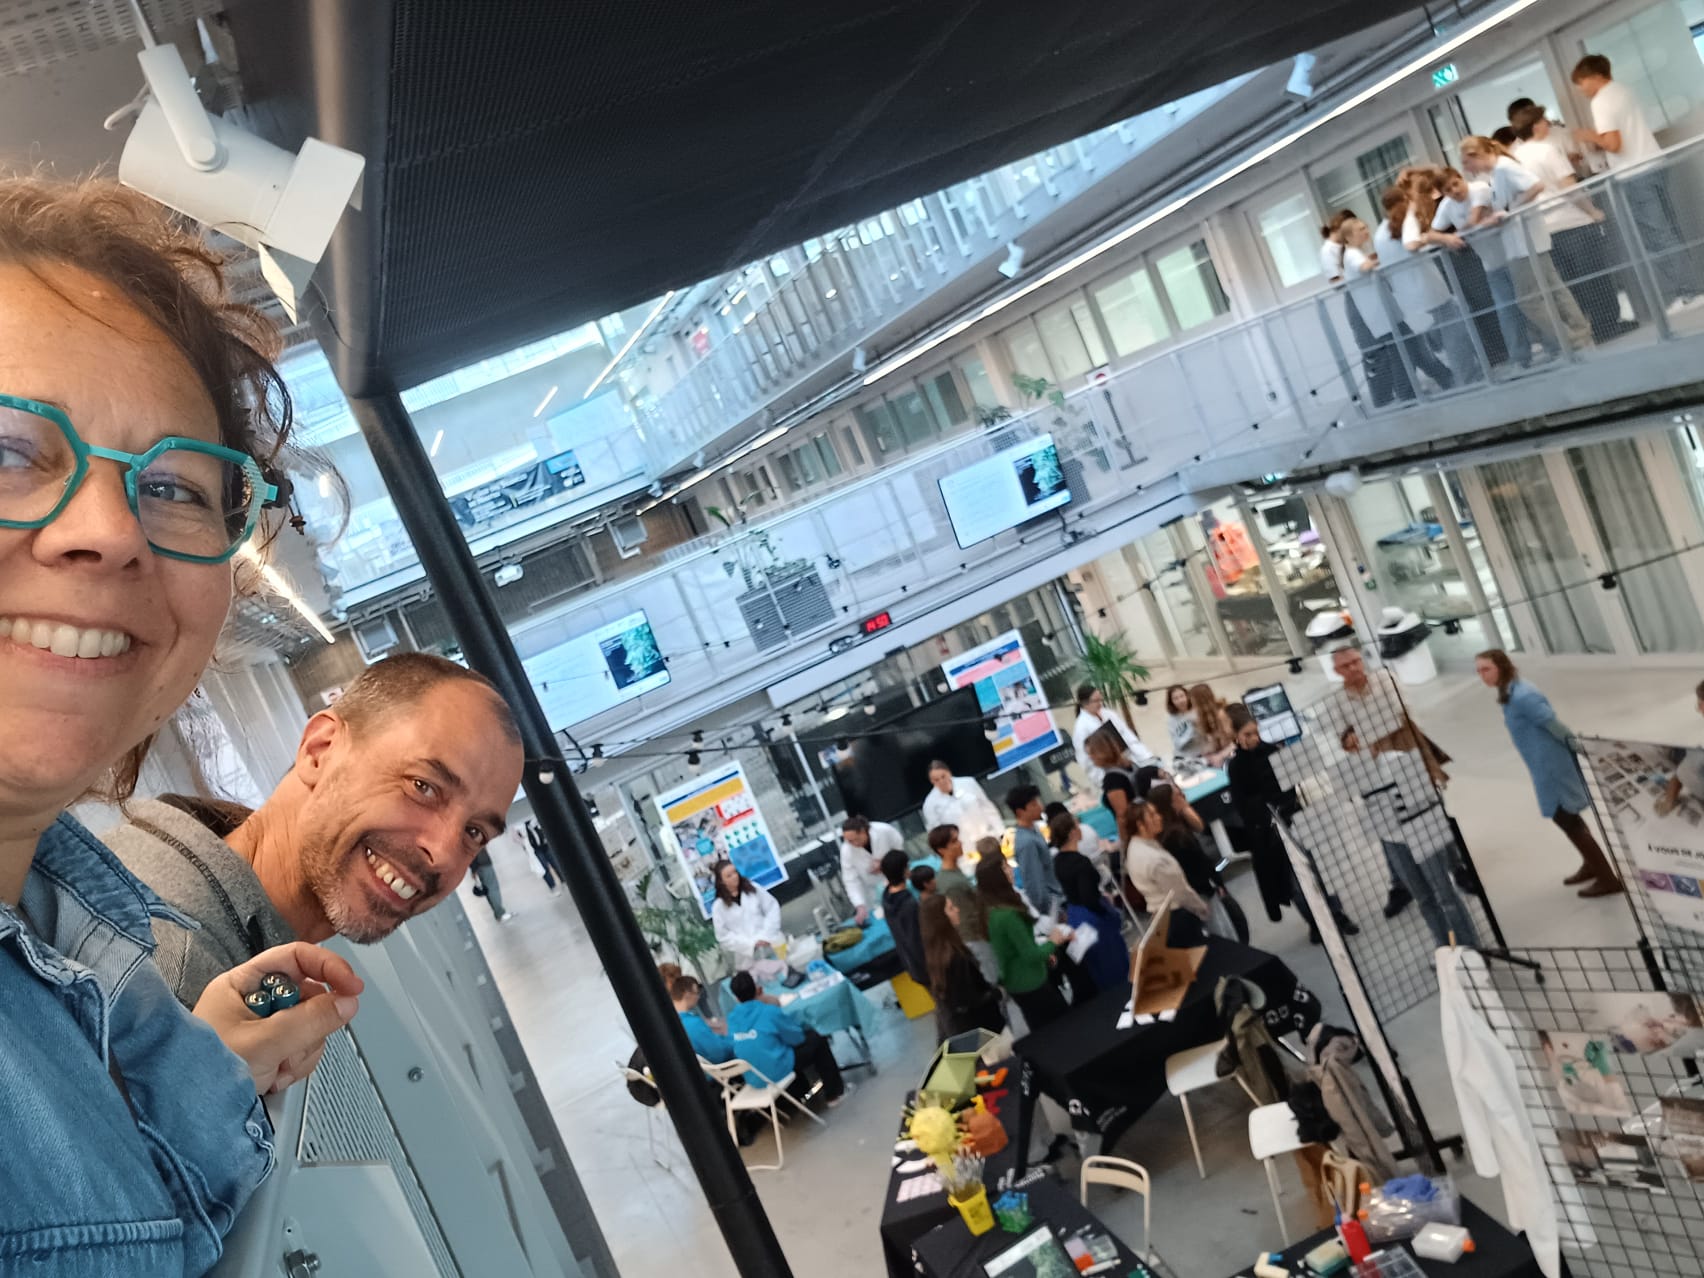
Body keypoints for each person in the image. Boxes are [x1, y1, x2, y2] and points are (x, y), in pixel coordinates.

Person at [0, 175, 364, 1274]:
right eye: (8, 450)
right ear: (319, 747)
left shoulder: (83, 944)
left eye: (175, 487)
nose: (109, 529)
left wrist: (195, 1077)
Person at [108, 652, 526, 1004]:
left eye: (475, 833)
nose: (444, 853)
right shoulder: (160, 969)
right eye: (423, 787)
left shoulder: (259, 959)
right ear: (319, 751)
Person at [1476, 650, 1623, 897]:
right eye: (1479, 670)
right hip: (1542, 762)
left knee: (1565, 817)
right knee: (1567, 816)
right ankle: (1592, 865)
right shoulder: (1510, 692)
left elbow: (1553, 724)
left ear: (1501, 666)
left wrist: (1580, 748)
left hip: (1552, 765)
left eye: (1486, 669)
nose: (1482, 675)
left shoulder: (1523, 696)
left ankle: (1608, 878)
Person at [1571, 54, 1701, 314]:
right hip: (1654, 165)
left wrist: (1588, 136)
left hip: (1634, 174)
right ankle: (1692, 287)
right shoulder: (1624, 91)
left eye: (1581, 82)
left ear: (1595, 76)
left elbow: (1613, 144)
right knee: (1668, 229)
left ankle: (1690, 291)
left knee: (1656, 235)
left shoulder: (1601, 100)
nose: (1581, 90)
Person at [1226, 711, 1360, 944]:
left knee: (1320, 870)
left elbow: (1293, 786)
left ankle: (1337, 914)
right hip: (1271, 834)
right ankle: (1316, 923)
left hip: (1298, 820)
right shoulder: (1236, 768)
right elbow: (1244, 806)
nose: (1254, 738)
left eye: (1256, 732)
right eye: (1248, 734)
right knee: (1295, 883)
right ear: (1235, 736)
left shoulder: (1273, 752)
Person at [1459, 135, 1591, 353]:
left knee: (1529, 300)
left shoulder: (1504, 168)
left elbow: (1536, 185)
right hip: (1525, 242)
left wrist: (1511, 210)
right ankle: (1579, 334)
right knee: (1554, 289)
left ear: (1476, 155)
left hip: (1525, 244)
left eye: (1467, 162)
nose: (1466, 168)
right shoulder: (1497, 173)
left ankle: (1571, 338)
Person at [1511, 105, 1629, 344]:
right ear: (1535, 126)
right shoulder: (1547, 150)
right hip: (1571, 220)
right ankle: (1607, 324)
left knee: (1569, 283)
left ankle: (1584, 327)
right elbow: (1568, 188)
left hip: (1543, 229)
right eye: (1542, 120)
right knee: (1594, 275)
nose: (1547, 124)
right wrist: (1592, 211)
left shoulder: (1514, 157)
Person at [1373, 186, 1477, 389]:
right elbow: (1411, 244)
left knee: (1450, 324)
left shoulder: (1380, 233)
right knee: (1455, 332)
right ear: (1406, 200)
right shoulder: (1407, 219)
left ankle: (1437, 342)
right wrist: (1438, 238)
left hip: (1410, 293)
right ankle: (1467, 377)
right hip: (1429, 288)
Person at [976, 854, 1072, 1031]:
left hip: (1017, 981)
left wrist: (1044, 951)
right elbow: (1030, 954)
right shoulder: (1007, 915)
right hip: (1030, 981)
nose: (1011, 870)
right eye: (1005, 868)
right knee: (1060, 1026)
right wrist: (1053, 942)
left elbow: (1017, 947)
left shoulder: (991, 910)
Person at [726, 970, 847, 1105]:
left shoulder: (732, 1018)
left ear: (736, 998)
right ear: (758, 989)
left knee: (777, 1048)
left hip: (754, 1078)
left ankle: (806, 1092)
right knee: (816, 1038)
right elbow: (797, 1038)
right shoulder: (769, 1011)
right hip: (777, 1071)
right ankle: (834, 1094)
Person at [1048, 811, 1128, 993]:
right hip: (1093, 916)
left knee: (1097, 964)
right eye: (1077, 826)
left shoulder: (1058, 861)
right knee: (1113, 960)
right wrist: (1105, 910)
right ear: (1072, 833)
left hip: (1075, 914)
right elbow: (1089, 897)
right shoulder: (1081, 862)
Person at [919, 894, 1005, 1038]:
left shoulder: (936, 954)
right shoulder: (955, 958)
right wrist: (996, 992)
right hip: (981, 1029)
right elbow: (970, 999)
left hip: (963, 1030)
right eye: (951, 908)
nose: (957, 910)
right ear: (941, 919)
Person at [1071, 683, 1155, 783]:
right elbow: (1086, 761)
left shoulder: (1108, 713)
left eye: (1100, 699)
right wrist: (1104, 780)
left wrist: (1146, 756)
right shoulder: (1081, 728)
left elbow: (1127, 736)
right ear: (1085, 703)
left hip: (1132, 762)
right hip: (1111, 773)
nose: (1100, 703)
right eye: (1096, 701)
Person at [710, 860, 783, 967]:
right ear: (721, 881)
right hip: (746, 955)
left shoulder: (753, 888)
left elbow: (772, 908)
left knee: (782, 968)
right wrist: (751, 944)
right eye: (729, 876)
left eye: (735, 872)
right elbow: (723, 936)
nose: (734, 877)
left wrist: (765, 936)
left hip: (771, 942)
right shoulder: (718, 907)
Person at [1005, 783, 1060, 916]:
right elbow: (1033, 882)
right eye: (1034, 805)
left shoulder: (1034, 829)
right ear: (1020, 812)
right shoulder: (1026, 842)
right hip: (1052, 906)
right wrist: (1049, 911)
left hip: (1057, 898)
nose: (1040, 807)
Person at [838, 814, 904, 924]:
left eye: (856, 839)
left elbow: (901, 852)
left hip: (898, 883)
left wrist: (885, 863)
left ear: (863, 831)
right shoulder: (846, 850)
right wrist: (859, 905)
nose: (854, 844)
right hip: (873, 893)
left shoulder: (884, 830)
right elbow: (850, 880)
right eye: (849, 841)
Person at [921, 760, 1004, 846]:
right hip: (962, 846)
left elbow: (987, 808)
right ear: (932, 781)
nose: (942, 781)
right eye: (936, 780)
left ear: (949, 773)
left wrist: (1000, 831)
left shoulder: (968, 782)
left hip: (988, 837)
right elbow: (936, 833)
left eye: (943, 776)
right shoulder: (930, 804)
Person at [880, 848, 929, 986]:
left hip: (911, 963)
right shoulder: (908, 905)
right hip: (926, 964)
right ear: (905, 870)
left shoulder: (886, 898)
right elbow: (916, 939)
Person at [671, 974, 735, 1064]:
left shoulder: (669, 1023)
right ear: (687, 994)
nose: (698, 997)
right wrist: (735, 1041)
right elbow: (719, 1053)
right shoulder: (693, 1024)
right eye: (697, 993)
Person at [1187, 683, 1238, 767]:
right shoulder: (1200, 718)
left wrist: (1220, 755)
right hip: (1218, 758)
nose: (1192, 705)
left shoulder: (1221, 714)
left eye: (1193, 702)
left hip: (1231, 756)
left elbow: (1235, 740)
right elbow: (1209, 744)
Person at [469, 847, 515, 922]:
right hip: (482, 863)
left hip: (481, 863)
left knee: (489, 889)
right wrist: (473, 870)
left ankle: (498, 914)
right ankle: (500, 914)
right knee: (492, 888)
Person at [525, 819, 562, 895]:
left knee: (554, 863)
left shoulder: (533, 819)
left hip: (544, 845)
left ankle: (563, 879)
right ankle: (552, 886)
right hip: (535, 849)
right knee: (543, 867)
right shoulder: (521, 824)